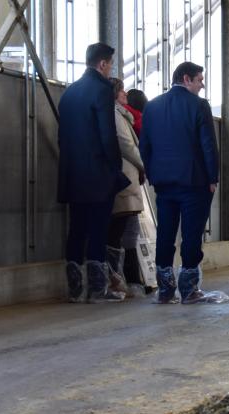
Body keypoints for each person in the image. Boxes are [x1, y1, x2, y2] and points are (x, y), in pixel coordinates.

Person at [140, 61, 225, 304]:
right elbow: (208, 144)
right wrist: (212, 177)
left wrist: (152, 174)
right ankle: (189, 290)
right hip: (193, 182)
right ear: (186, 79)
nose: (202, 85)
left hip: (163, 183)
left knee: (165, 234)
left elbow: (144, 145)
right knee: (191, 235)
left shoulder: (152, 106)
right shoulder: (199, 105)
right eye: (200, 79)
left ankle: (165, 290)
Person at [57, 42, 128, 303]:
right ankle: (98, 290)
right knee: (98, 229)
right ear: (102, 64)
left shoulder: (70, 92)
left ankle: (75, 290)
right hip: (98, 174)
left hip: (73, 173)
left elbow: (62, 137)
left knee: (77, 228)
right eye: (110, 65)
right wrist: (115, 167)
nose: (110, 70)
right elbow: (107, 135)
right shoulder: (101, 90)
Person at [106, 77, 146, 297]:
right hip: (125, 177)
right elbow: (127, 146)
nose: (125, 94)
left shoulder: (122, 114)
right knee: (118, 230)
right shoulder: (116, 115)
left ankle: (128, 280)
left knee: (127, 230)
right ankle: (118, 280)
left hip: (128, 177)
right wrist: (145, 165)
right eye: (122, 91)